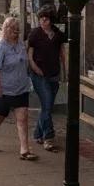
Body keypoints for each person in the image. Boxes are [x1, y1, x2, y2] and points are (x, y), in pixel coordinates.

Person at [0, 17, 37, 160]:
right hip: (5, 88)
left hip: (21, 86)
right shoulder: (0, 47)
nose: (16, 33)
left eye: (17, 31)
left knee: (23, 116)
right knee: (1, 114)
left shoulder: (20, 44)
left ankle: (24, 149)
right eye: (13, 31)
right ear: (6, 30)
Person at [27, 8, 67, 152]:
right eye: (41, 18)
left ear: (51, 20)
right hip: (39, 75)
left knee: (46, 106)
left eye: (46, 18)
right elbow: (29, 55)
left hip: (54, 74)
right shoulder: (35, 34)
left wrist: (64, 72)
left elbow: (62, 53)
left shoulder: (58, 34)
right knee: (48, 103)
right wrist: (35, 68)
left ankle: (37, 133)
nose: (43, 21)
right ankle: (48, 137)